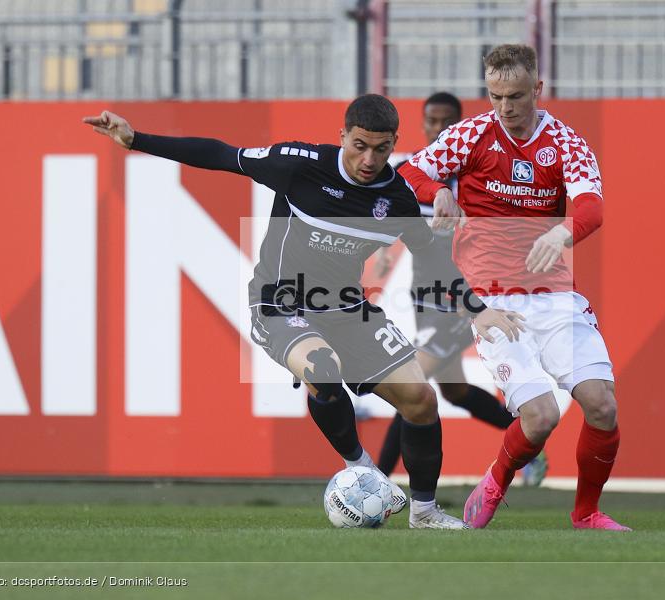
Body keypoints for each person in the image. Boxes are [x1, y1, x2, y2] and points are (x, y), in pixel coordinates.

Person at [83, 95, 514, 529]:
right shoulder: (298, 164)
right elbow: (220, 154)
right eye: (359, 145)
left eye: (381, 149)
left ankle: (424, 513)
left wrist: (476, 310)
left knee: (420, 400)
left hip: (348, 308)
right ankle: (362, 470)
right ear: (342, 136)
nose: (369, 159)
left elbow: (433, 259)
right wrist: (136, 139)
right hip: (280, 302)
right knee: (322, 368)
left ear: (394, 143)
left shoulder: (397, 198)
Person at [399, 45, 631, 531]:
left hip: (555, 297)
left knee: (602, 405)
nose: (505, 107)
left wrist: (562, 233)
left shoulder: (565, 143)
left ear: (537, 89)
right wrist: (438, 192)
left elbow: (592, 207)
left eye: (516, 96)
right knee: (541, 417)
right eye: (496, 95)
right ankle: (497, 479)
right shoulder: (470, 135)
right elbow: (410, 171)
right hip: (492, 300)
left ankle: (586, 513)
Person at [374, 92, 548, 487]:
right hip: (425, 296)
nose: (439, 128)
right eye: (432, 121)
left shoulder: (476, 176)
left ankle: (375, 480)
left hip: (463, 299)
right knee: (451, 389)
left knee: (410, 386)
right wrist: (384, 251)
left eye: (447, 122)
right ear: (422, 124)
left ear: (459, 125)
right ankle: (530, 441)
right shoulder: (411, 171)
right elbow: (391, 218)